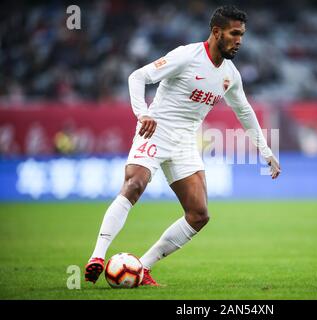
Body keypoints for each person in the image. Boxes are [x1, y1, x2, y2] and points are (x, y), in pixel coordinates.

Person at [85, 5, 281, 286]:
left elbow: (245, 112)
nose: (239, 40)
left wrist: (266, 151)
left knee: (199, 214)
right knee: (135, 184)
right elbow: (137, 77)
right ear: (217, 32)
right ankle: (97, 256)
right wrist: (143, 113)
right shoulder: (187, 56)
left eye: (242, 34)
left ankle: (142, 267)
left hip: (185, 143)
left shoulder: (230, 74)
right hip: (155, 130)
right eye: (234, 33)